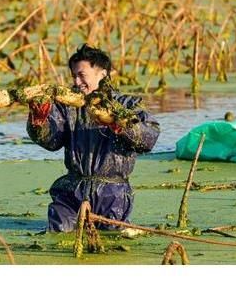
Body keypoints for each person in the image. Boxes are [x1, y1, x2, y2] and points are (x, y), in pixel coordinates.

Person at [27, 44, 160, 232]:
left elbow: (149, 139)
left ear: (102, 74)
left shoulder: (129, 105)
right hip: (72, 190)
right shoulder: (67, 107)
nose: (77, 81)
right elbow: (52, 141)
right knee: (58, 233)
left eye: (82, 75)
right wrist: (38, 122)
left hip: (112, 194)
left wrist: (119, 125)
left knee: (111, 246)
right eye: (74, 76)